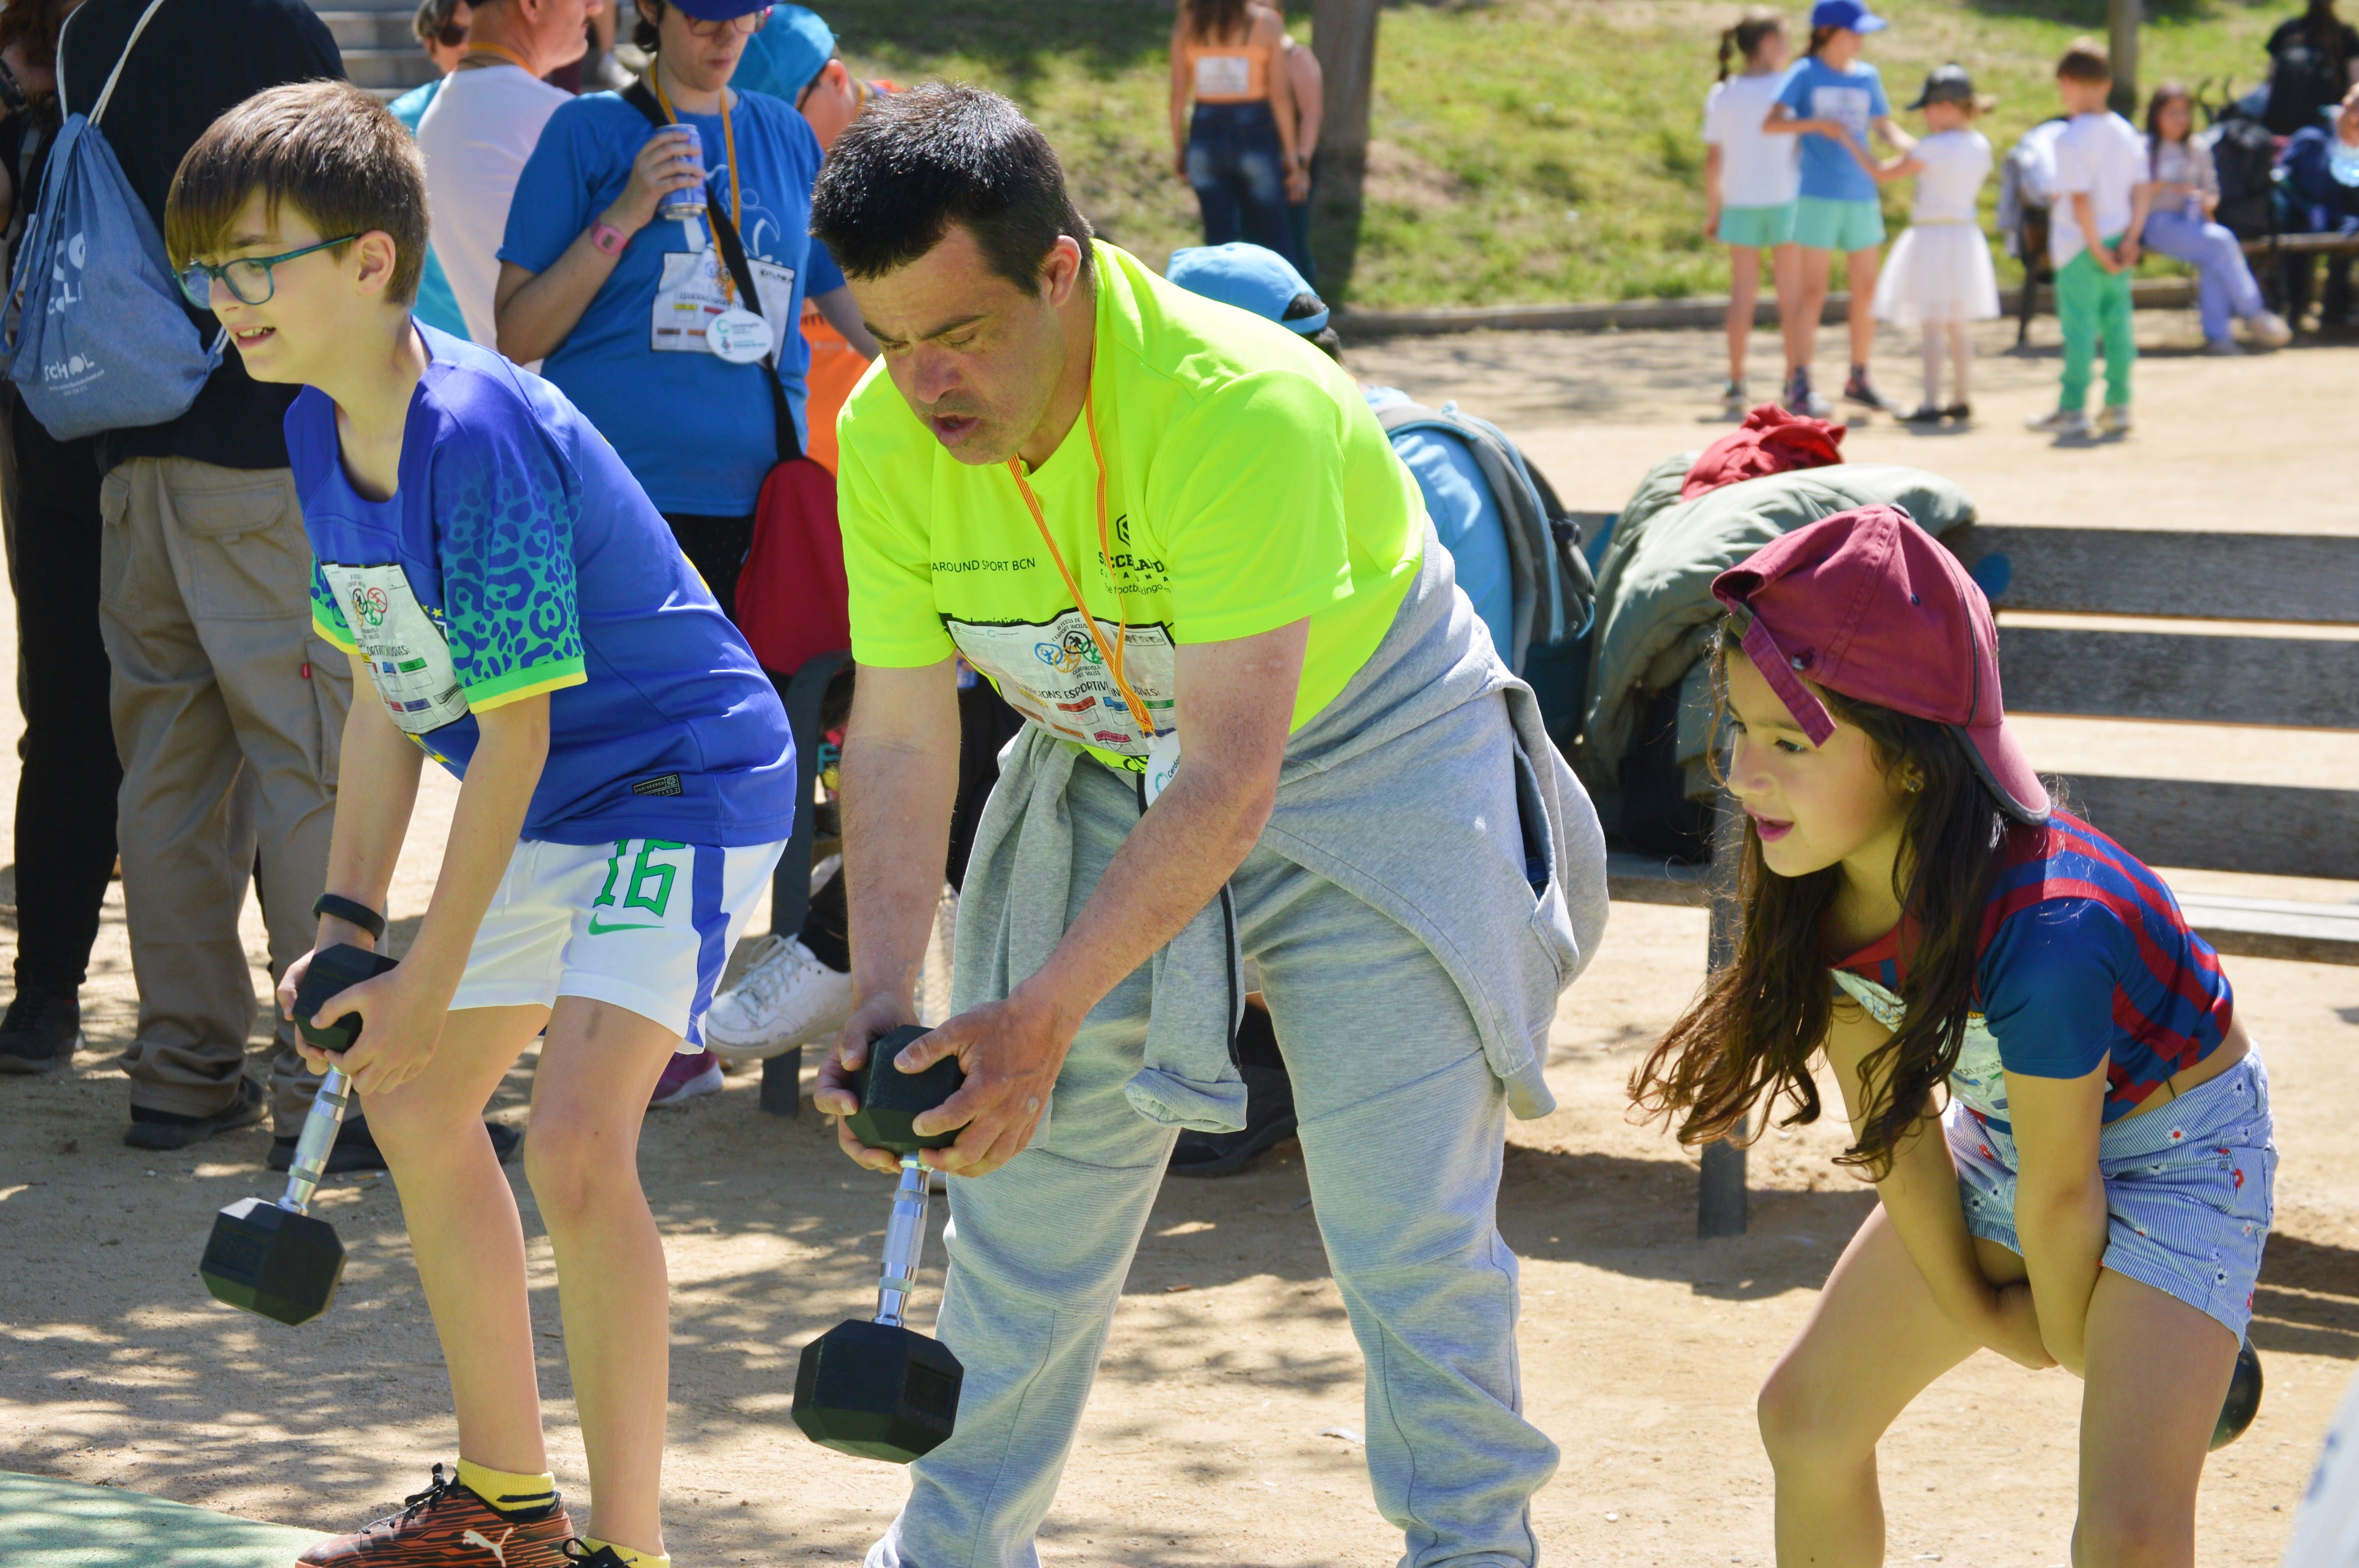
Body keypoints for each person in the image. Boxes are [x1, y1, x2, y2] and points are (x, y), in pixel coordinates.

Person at [808, 83, 1607, 1567]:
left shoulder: (1241, 408)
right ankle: (951, 1553)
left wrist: (1042, 1010)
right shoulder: (882, 436)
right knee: (1016, 1215)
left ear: (1061, 269)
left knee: (1403, 1240)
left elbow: (1230, 779)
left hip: (1370, 764)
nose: (922, 385)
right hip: (1103, 759)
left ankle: (1471, 1550)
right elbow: (907, 734)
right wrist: (883, 1000)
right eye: (886, 339)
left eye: (960, 332)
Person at [167, 79, 798, 1568]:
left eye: (252, 261)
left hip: (682, 783)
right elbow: (392, 695)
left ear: (370, 261)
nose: (222, 298)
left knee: (578, 1143)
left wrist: (426, 978)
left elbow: (506, 735)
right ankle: (503, 1506)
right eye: (208, 268)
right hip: (568, 794)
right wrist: (343, 931)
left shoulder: (474, 426)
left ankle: (628, 1554)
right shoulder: (322, 432)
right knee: (414, 1096)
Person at [1630, 504, 2273, 1568]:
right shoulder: (1818, 886)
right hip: (2010, 1142)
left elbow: (2065, 1198)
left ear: (1917, 765)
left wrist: (2066, 1335)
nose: (1742, 771)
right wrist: (1984, 1308)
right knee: (1805, 1419)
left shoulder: (2051, 929)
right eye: (1738, 726)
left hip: (2177, 1160)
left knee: (2126, 1529)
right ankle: (2167, 1349)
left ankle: (2173, 1338)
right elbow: (1895, 1124)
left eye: (1789, 740)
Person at [494, 0, 867, 1102]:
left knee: (764, 760)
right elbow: (517, 334)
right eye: (700, 11)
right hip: (619, 506)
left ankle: (698, 1011)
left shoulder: (783, 136)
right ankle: (623, 1025)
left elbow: (836, 294)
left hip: (760, 506)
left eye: (741, 11)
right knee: (630, 768)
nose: (721, 30)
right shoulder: (588, 135)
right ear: (654, 12)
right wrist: (625, 210)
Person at [52, 0, 362, 1158]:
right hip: (269, 453)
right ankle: (336, 1077)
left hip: (133, 454)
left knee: (170, 776)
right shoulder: (276, 29)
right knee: (314, 762)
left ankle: (180, 1071)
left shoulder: (96, 29)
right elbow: (346, 220)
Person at [0, 0, 113, 1079]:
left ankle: (191, 1026)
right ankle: (48, 989)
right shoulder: (21, 75)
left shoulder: (166, 43)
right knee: (71, 717)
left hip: (174, 428)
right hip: (53, 440)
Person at [415, 0, 598, 352]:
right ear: (532, 4)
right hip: (582, 392)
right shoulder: (563, 119)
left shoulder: (433, 121)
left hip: (517, 389)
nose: (596, 7)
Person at [1768, 0, 1910, 416]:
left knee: (1866, 290)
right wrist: (1816, 125)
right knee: (1812, 291)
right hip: (1816, 196)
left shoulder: (1868, 76)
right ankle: (1798, 380)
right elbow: (1772, 123)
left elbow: (1884, 125)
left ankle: (1859, 378)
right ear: (1828, 31)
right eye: (1854, 31)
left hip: (1861, 195)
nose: (1861, 40)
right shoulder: (1804, 72)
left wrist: (1909, 147)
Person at [2025, 39, 2149, 439]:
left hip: (2081, 247)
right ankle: (2119, 405)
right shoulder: (2126, 131)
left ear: (2070, 82)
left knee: (2079, 330)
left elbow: (2079, 199)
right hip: (2121, 242)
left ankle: (2074, 408)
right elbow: (2142, 190)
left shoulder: (2070, 136)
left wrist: (2096, 248)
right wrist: (2130, 239)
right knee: (2119, 327)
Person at [1867, 64, 1999, 424]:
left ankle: (1929, 402)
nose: (1925, 115)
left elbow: (1884, 171)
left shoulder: (1934, 147)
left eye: (1928, 108)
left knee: (1931, 324)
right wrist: (1890, 131)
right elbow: (1926, 152)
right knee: (1957, 325)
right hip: (1964, 238)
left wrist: (1848, 141)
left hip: (1932, 240)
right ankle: (1960, 397)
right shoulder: (1977, 144)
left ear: (1945, 107)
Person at [2140, 81, 2294, 354]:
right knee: (2221, 242)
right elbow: (2135, 192)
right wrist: (2166, 186)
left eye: (2184, 112)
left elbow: (2213, 193)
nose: (2179, 119)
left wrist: (2201, 198)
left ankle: (2219, 338)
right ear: (2156, 115)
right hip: (2156, 224)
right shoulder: (2144, 148)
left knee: (2214, 256)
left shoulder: (2198, 148)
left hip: (2194, 222)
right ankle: (2254, 312)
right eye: (2172, 112)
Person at [1704, 8, 1802, 419]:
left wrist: (1714, 209)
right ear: (1766, 44)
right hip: (1786, 202)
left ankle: (1736, 380)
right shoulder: (1788, 88)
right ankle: (1796, 379)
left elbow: (1714, 160)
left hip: (1740, 203)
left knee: (1741, 295)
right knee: (1790, 295)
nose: (1789, 48)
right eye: (1783, 39)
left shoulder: (1722, 93)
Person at [1169, 0, 1309, 272]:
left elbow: (1178, 97)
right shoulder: (1267, 23)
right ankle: (1288, 310)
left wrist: (1179, 149)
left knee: (1219, 245)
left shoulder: (1188, 23)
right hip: (1255, 135)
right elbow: (1280, 96)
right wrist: (1293, 157)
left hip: (1204, 138)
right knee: (1276, 238)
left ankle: (1222, 309)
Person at [387, 0, 475, 342]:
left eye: (479, 32)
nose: (469, 45)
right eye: (455, 34)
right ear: (430, 45)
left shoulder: (536, 114)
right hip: (435, 334)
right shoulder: (401, 121)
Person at [2278, 81, 2359, 331]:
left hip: (2349, 219)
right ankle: (2295, 313)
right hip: (2307, 216)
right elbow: (2290, 185)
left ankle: (2336, 315)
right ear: (2345, 107)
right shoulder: (2313, 140)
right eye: (2355, 109)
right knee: (2303, 242)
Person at [2265, 0, 2359, 136]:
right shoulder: (2346, 34)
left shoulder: (2287, 29)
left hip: (2279, 123)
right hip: (2325, 126)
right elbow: (2355, 87)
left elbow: (2270, 81)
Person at [1276, 2, 1321, 286]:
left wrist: (1301, 165)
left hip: (1292, 166)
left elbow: (1311, 114)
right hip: (1261, 161)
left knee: (1292, 243)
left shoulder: (1297, 57)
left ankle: (1310, 320)